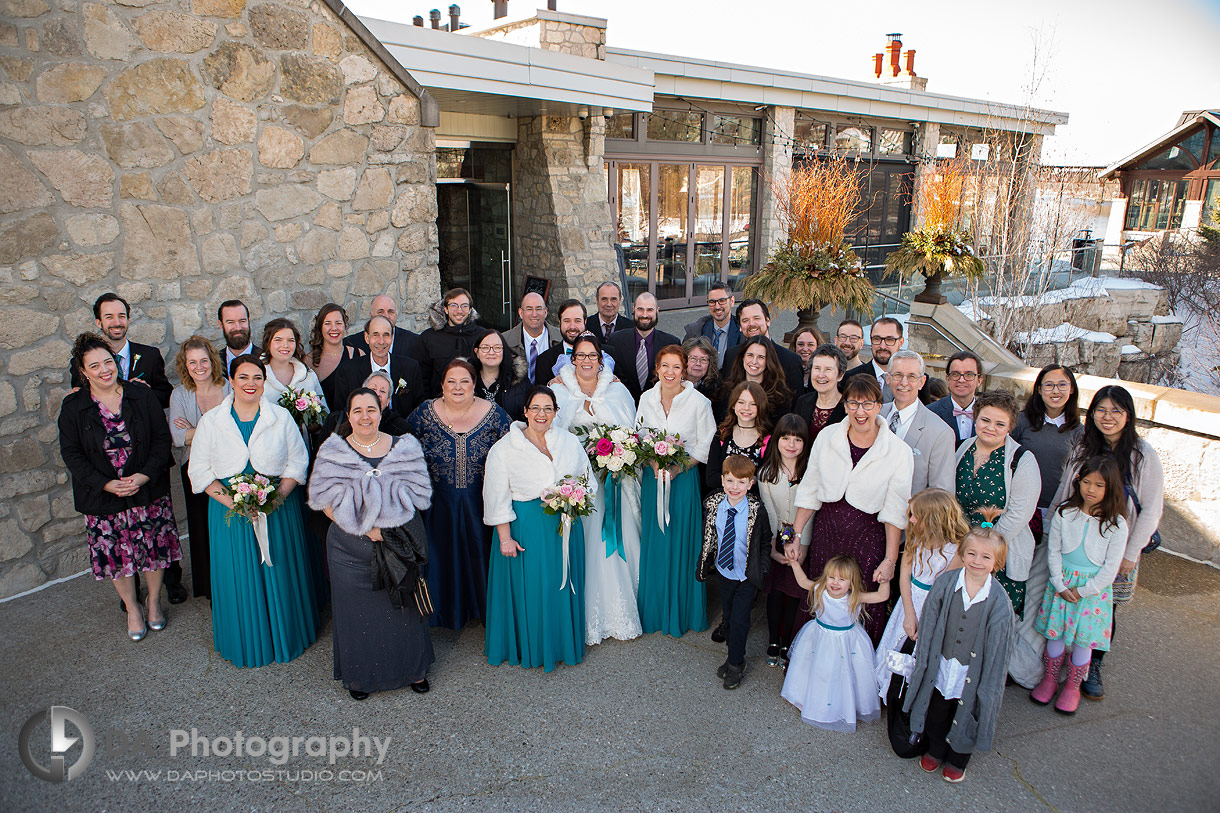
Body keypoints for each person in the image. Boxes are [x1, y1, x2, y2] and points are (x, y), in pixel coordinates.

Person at [188, 355, 321, 667]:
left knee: (281, 572)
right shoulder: (211, 422)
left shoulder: (280, 417)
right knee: (238, 575)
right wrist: (238, 505)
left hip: (278, 511)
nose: (251, 384)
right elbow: (201, 473)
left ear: (264, 382)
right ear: (231, 382)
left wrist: (275, 499)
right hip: (230, 517)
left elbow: (297, 462)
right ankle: (245, 642)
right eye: (243, 377)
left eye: (257, 378)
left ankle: (288, 635)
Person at [308, 388, 435, 700]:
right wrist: (367, 528)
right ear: (348, 416)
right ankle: (361, 676)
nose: (365, 416)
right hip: (349, 548)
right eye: (357, 411)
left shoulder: (402, 446)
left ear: (381, 412)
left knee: (404, 607)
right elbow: (326, 503)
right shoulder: (334, 451)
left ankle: (412, 670)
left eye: (371, 409)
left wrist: (389, 526)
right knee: (357, 614)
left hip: (397, 541)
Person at [59, 333, 182, 641]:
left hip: (146, 490)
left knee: (153, 549)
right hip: (103, 496)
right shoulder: (74, 407)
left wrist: (143, 476)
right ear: (83, 372)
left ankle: (153, 602)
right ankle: (132, 607)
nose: (104, 370)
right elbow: (71, 453)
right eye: (95, 365)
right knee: (117, 558)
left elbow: (161, 439)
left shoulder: (141, 396)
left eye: (108, 362)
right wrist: (106, 484)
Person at [1048, 385, 1163, 702]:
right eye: (1101, 409)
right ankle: (1057, 665)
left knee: (1102, 608)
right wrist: (1049, 528)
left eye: (1116, 410)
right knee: (1063, 600)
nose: (1108, 417)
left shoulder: (1142, 455)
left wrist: (1131, 552)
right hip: (1075, 538)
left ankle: (1091, 665)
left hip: (1115, 544)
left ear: (1128, 415)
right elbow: (1064, 489)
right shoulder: (1083, 446)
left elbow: (1152, 507)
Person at [790, 375, 912, 643]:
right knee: (822, 596)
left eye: (867, 404)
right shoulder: (827, 436)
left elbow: (895, 511)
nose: (860, 411)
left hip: (868, 539)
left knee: (861, 603)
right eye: (853, 403)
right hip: (827, 533)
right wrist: (795, 536)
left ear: (879, 406)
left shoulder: (898, 452)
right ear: (845, 406)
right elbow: (809, 489)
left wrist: (890, 560)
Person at [483, 386, 597, 671]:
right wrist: (505, 538)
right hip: (526, 528)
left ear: (556, 412)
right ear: (525, 411)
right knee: (534, 589)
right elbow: (496, 496)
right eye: (535, 408)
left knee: (559, 587)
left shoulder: (569, 442)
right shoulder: (504, 449)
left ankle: (560, 645)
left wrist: (577, 499)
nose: (541, 414)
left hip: (564, 524)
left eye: (548, 408)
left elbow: (588, 482)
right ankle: (532, 648)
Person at [550, 332, 642, 645]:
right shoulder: (558, 391)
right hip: (577, 482)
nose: (587, 361)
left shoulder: (616, 390)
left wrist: (615, 453)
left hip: (610, 480)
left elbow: (629, 429)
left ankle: (618, 608)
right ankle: (581, 609)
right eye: (581, 355)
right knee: (585, 540)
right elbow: (552, 433)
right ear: (571, 359)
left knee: (612, 540)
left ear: (600, 360)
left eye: (593, 356)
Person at [905, 527, 1015, 784]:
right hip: (943, 664)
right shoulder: (946, 583)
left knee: (965, 711)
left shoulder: (999, 601)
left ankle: (958, 757)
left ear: (997, 562)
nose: (977, 561)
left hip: (971, 671)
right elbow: (930, 619)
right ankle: (935, 748)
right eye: (972, 554)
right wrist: (925, 655)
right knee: (938, 708)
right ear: (962, 554)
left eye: (986, 557)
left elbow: (1000, 649)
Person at [408, 359, 512, 629]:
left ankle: (483, 609)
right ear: (442, 384)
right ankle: (443, 612)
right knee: (442, 556)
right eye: (451, 381)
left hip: (481, 502)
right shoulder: (423, 414)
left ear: (474, 384)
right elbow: (404, 449)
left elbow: (514, 451)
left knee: (480, 556)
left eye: (464, 381)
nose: (458, 387)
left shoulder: (495, 414)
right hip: (438, 504)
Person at [953, 389, 1042, 687]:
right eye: (985, 420)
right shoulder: (963, 449)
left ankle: (990, 675)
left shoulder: (1022, 460)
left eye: (999, 424)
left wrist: (985, 548)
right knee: (967, 612)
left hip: (1001, 554)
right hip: (965, 549)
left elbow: (1019, 514)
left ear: (1010, 426)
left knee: (996, 619)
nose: (990, 428)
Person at [1031, 457, 1128, 715]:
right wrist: (1059, 583)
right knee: (1056, 634)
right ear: (1078, 482)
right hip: (1061, 583)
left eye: (1099, 485)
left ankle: (1073, 686)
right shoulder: (1065, 512)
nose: (1091, 489)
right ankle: (1050, 679)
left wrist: (1083, 591)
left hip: (1091, 592)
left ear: (1111, 488)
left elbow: (1110, 568)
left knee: (1083, 639)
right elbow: (1054, 550)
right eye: (1086, 482)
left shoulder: (1117, 525)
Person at [636, 344, 717, 638]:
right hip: (653, 478)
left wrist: (678, 468)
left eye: (676, 367)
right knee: (656, 542)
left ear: (684, 370)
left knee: (682, 543)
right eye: (664, 366)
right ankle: (655, 611)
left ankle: (682, 612)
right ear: (657, 369)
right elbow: (639, 435)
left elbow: (706, 444)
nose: (670, 373)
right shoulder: (646, 398)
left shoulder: (699, 402)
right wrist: (652, 461)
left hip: (682, 481)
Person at [874, 488, 968, 697]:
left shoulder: (958, 550)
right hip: (909, 601)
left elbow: (944, 589)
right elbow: (905, 576)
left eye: (916, 515)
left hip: (933, 605)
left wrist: (923, 618)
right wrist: (908, 612)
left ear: (934, 519)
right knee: (896, 642)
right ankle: (888, 687)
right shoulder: (916, 538)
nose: (912, 519)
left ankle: (908, 694)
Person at [780, 555, 891, 732]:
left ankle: (844, 705)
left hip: (847, 643)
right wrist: (794, 563)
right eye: (831, 577)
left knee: (845, 674)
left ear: (851, 582)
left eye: (842, 579)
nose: (835, 583)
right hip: (820, 639)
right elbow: (802, 581)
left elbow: (882, 595)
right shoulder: (820, 589)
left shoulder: (855, 597)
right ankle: (811, 700)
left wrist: (885, 580)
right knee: (819, 672)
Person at [696, 455, 771, 690]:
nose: (734, 487)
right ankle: (732, 655)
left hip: (746, 575)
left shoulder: (756, 511)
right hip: (723, 571)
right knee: (728, 618)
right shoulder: (713, 504)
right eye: (730, 481)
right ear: (722, 480)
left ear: (750, 484)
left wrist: (762, 569)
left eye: (741, 482)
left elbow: (766, 542)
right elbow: (709, 535)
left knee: (740, 621)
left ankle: (736, 664)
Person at [169, 336, 230, 601]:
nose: (199, 366)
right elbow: (178, 437)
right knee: (201, 527)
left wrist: (196, 429)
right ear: (185, 364)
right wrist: (216, 427)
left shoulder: (227, 386)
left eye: (204, 360)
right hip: (193, 469)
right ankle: (208, 588)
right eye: (192, 361)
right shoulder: (180, 394)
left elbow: (236, 429)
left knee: (228, 526)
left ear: (212, 361)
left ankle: (231, 580)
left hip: (228, 468)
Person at [758, 415, 812, 668]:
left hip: (804, 540)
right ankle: (773, 640)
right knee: (776, 592)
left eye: (797, 439)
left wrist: (802, 547)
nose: (791, 444)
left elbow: (811, 510)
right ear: (777, 440)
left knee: (795, 593)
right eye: (786, 438)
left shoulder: (811, 472)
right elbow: (770, 512)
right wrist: (773, 547)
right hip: (779, 537)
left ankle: (789, 641)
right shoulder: (767, 473)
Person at [70, 293, 172, 407]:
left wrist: (146, 393)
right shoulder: (82, 361)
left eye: (122, 316)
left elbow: (166, 396)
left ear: (128, 320)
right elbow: (80, 400)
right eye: (109, 317)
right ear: (99, 322)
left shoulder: (150, 355)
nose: (117, 323)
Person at [1013, 364, 1083, 527]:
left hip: (1055, 511)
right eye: (1049, 385)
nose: (1055, 391)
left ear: (1071, 389)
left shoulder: (1078, 430)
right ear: (1039, 389)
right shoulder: (1022, 421)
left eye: (1062, 385)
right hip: (1020, 507)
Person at [883, 350, 956, 493]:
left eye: (911, 376)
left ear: (921, 382)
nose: (904, 383)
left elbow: (941, 494)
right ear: (888, 378)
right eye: (898, 375)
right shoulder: (874, 415)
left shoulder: (940, 433)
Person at [333, 316, 425, 420]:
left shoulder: (410, 367)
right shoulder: (348, 370)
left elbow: (418, 410)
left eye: (386, 335)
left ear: (392, 338)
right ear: (366, 338)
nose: (381, 342)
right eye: (375, 335)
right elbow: (340, 413)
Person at [606, 292, 681, 402]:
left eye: (650, 310)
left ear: (657, 310)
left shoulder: (671, 343)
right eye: (640, 309)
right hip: (623, 405)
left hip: (658, 408)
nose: (644, 315)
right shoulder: (615, 340)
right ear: (634, 309)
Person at [721, 299, 803, 397]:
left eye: (756, 318)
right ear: (740, 327)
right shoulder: (731, 354)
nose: (751, 324)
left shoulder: (790, 360)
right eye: (745, 320)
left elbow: (797, 404)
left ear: (767, 320)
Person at [705, 381, 771, 491]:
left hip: (752, 502)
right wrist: (744, 481)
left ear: (761, 407)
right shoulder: (722, 435)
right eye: (741, 402)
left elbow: (765, 481)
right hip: (722, 500)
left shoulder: (766, 439)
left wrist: (731, 480)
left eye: (753, 404)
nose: (746, 408)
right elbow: (711, 478)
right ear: (733, 405)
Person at [316, 371, 410, 447]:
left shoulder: (401, 429)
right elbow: (318, 458)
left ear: (388, 400)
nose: (377, 394)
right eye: (373, 389)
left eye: (383, 391)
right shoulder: (335, 420)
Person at [419, 288, 482, 395]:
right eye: (453, 305)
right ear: (446, 309)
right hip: (440, 403)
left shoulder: (482, 336)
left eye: (464, 306)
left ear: (470, 309)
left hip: (476, 403)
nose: (459, 311)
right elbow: (422, 377)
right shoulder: (428, 337)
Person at [536, 299, 615, 383]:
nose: (572, 327)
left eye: (577, 321)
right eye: (567, 321)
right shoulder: (544, 360)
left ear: (585, 321)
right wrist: (551, 385)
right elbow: (539, 394)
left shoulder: (609, 354)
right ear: (560, 322)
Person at [719, 336, 794, 421]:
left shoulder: (779, 395)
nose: (754, 361)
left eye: (761, 357)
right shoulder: (727, 389)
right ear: (743, 358)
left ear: (768, 360)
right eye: (750, 355)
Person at [307, 303, 363, 413]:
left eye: (338, 323)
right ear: (320, 327)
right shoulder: (309, 361)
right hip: (323, 426)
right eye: (327, 323)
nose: (334, 328)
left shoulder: (358, 354)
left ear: (345, 326)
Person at [343, 294, 423, 364]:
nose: (386, 316)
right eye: (380, 312)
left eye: (390, 312)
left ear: (396, 314)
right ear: (371, 315)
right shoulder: (352, 343)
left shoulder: (415, 342)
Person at [260, 318, 324, 404]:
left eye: (291, 340)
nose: (285, 345)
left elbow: (323, 412)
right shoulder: (257, 374)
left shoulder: (308, 375)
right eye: (278, 340)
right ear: (268, 343)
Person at [472, 328, 531, 421]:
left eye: (497, 348)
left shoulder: (519, 381)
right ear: (477, 352)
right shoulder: (466, 381)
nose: (491, 352)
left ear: (504, 351)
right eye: (485, 348)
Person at [792, 344, 847, 442]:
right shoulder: (802, 402)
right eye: (817, 368)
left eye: (828, 370)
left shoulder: (849, 407)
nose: (821, 375)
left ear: (840, 375)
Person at [929, 350, 984, 447]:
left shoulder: (987, 414)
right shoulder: (930, 412)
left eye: (969, 375)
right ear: (947, 378)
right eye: (955, 374)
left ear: (979, 380)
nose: (961, 380)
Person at [843, 316, 903, 403]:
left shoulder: (914, 382)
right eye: (877, 339)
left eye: (889, 340)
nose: (882, 346)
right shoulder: (849, 378)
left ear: (901, 342)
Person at [505, 292, 560, 385]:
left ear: (545, 312)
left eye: (538, 309)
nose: (534, 314)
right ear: (521, 313)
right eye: (529, 309)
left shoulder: (561, 338)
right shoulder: (505, 341)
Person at [683, 282, 742, 366]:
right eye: (712, 302)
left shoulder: (742, 332)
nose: (717, 306)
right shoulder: (696, 332)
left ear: (732, 301)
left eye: (722, 301)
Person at [217, 300, 260, 372]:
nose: (238, 328)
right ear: (221, 325)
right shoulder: (214, 362)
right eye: (230, 322)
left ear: (248, 321)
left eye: (242, 321)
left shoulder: (266, 359)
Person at [681, 336, 721, 401]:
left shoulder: (717, 389)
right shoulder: (673, 382)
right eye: (693, 358)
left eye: (703, 360)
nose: (698, 363)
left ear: (710, 363)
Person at [788, 326, 824, 395]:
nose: (805, 349)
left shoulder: (824, 373)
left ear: (818, 347)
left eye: (810, 345)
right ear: (794, 346)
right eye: (801, 344)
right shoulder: (785, 369)